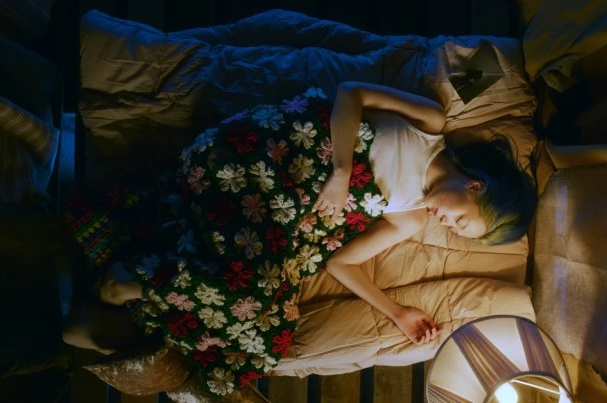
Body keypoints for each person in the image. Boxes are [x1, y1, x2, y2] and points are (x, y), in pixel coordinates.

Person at [62, 82, 536, 395]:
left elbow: (339, 264)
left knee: (267, 332)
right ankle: (137, 284)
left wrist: (397, 313)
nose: (445, 224)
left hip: (266, 215)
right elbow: (351, 93)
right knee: (250, 295)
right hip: (260, 160)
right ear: (476, 187)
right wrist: (341, 171)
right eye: (460, 220)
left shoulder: (410, 218)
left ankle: (135, 284)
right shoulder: (429, 124)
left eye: (454, 231)